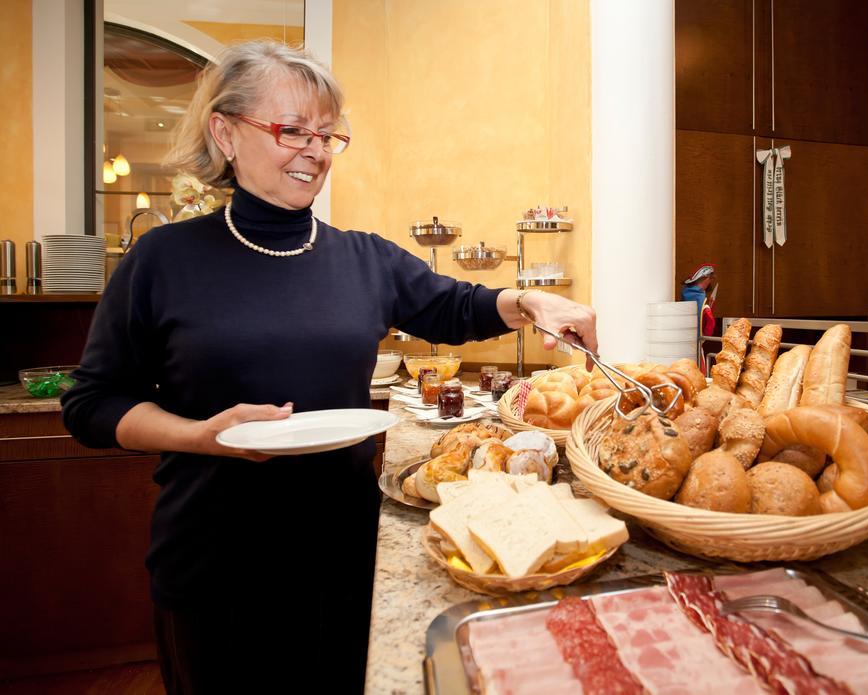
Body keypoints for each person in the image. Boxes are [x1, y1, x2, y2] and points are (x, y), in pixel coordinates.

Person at [60, 40, 598, 694]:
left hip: (342, 562)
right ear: (224, 133)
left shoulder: (363, 258)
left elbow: (455, 305)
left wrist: (527, 300)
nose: (315, 150)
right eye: (292, 131)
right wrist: (200, 435)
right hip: (214, 566)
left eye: (327, 134)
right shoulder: (162, 259)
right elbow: (92, 404)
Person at [680, 263, 717, 370]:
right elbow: (709, 324)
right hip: (695, 344)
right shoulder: (701, 299)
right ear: (706, 279)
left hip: (683, 340)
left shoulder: (685, 293)